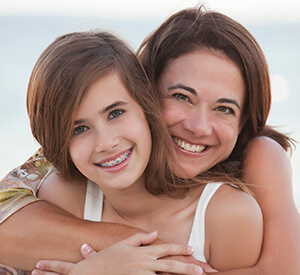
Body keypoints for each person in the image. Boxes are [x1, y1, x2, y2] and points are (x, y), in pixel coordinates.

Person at [0, 6, 299, 274]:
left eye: (224, 108)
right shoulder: (73, 176)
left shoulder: (245, 183)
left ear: (242, 120)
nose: (198, 126)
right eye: (181, 96)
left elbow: (284, 269)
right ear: (145, 93)